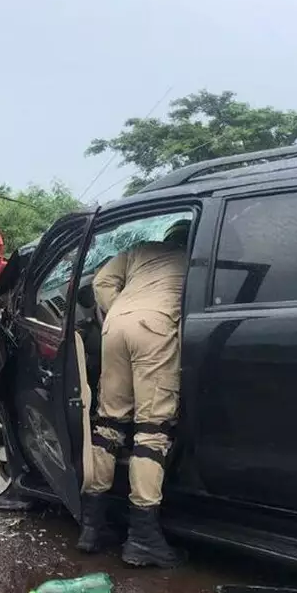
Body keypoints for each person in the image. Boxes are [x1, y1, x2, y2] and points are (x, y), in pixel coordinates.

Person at [76, 218, 191, 568]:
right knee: (152, 430)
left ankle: (92, 527)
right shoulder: (192, 258)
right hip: (155, 327)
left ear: (167, 237)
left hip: (115, 325)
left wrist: (118, 311)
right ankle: (142, 537)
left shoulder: (140, 249)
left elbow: (101, 282)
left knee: (108, 424)